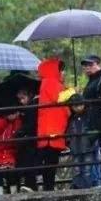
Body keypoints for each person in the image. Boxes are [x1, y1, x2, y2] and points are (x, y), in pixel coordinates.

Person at [36, 58, 73, 191]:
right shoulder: (51, 82)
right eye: (61, 70)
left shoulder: (47, 82)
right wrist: (72, 91)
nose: (63, 73)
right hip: (52, 131)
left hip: (49, 130)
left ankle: (48, 187)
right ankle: (49, 189)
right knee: (51, 162)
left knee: (50, 162)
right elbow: (60, 98)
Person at [80, 55, 101, 185]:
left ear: (98, 64)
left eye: (90, 65)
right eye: (85, 66)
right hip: (93, 120)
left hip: (100, 121)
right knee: (94, 152)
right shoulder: (92, 80)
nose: (87, 68)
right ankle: (99, 181)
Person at [65, 94, 95, 189]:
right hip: (75, 147)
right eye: (74, 106)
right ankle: (77, 185)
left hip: (87, 146)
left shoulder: (89, 117)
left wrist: (91, 139)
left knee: (87, 168)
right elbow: (68, 131)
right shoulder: (71, 119)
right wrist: (68, 141)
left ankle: (86, 185)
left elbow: (94, 129)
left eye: (79, 105)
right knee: (76, 168)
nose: (77, 108)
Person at [0, 108, 22, 194]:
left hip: (10, 152)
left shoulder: (18, 122)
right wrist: (5, 121)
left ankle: (13, 194)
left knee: (11, 173)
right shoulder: (0, 121)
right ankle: (0, 195)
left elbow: (17, 135)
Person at [14, 86, 39, 191]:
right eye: (19, 99)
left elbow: (31, 123)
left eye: (23, 98)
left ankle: (30, 185)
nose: (21, 101)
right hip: (28, 138)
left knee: (29, 162)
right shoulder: (28, 107)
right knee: (27, 163)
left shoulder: (32, 107)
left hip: (31, 138)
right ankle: (29, 184)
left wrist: (20, 131)